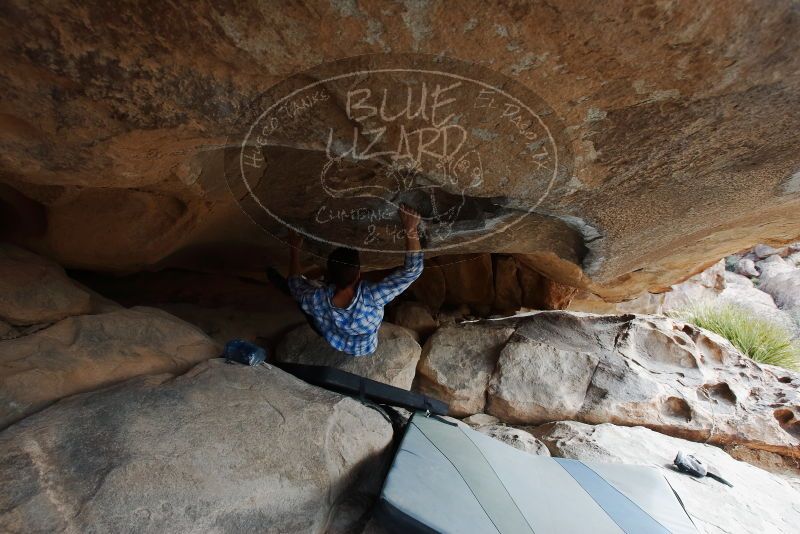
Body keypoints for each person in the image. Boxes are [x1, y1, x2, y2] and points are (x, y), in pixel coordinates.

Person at [278, 204, 424, 356]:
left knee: (301, 295)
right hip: (363, 346)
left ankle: (307, 288)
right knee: (303, 297)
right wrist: (411, 228)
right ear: (358, 274)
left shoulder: (316, 299)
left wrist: (294, 249)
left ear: (330, 275)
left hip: (331, 333)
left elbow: (294, 282)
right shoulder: (373, 298)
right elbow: (412, 271)